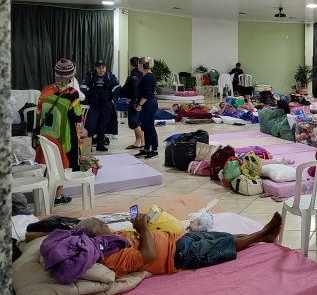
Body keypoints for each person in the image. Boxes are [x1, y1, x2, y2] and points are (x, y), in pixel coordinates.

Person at [79, 212, 282, 277]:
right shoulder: (112, 257)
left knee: (220, 235)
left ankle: (263, 236)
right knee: (224, 243)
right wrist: (142, 229)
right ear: (96, 234)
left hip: (177, 240)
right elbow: (147, 255)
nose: (108, 226)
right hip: (179, 255)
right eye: (103, 225)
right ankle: (263, 233)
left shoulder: (111, 239)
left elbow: (140, 240)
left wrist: (141, 227)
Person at [35, 59, 83, 205]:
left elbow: (38, 112)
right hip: (62, 137)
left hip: (45, 135)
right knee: (61, 165)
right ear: (71, 76)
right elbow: (77, 116)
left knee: (50, 165)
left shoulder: (45, 90)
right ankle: (57, 196)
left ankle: (50, 194)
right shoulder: (72, 93)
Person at [82, 60, 119, 152]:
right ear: (96, 68)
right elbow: (83, 89)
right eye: (99, 68)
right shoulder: (90, 76)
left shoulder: (111, 77)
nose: (101, 70)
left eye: (103, 67)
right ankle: (88, 146)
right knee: (90, 125)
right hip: (93, 105)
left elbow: (117, 90)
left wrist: (113, 101)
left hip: (106, 105)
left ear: (106, 68)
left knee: (102, 125)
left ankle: (100, 145)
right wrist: (88, 96)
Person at [135, 57, 159, 159]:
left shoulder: (149, 77)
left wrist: (140, 105)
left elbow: (147, 93)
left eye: (139, 64)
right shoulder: (146, 75)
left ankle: (154, 150)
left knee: (149, 127)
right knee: (145, 127)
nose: (138, 66)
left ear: (143, 65)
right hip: (147, 104)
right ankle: (146, 148)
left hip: (148, 104)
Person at [122, 57, 144, 150]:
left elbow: (134, 88)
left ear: (131, 64)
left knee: (134, 122)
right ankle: (137, 142)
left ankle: (143, 141)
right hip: (137, 100)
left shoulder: (135, 75)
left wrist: (130, 98)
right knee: (136, 122)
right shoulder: (141, 74)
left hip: (134, 101)